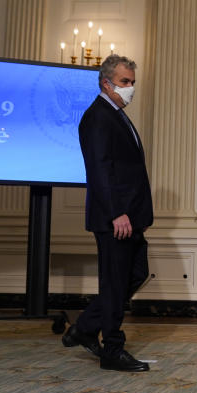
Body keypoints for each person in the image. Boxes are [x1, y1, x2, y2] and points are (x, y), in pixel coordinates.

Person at [62, 54, 153, 372]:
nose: (130, 89)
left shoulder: (116, 114)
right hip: (116, 218)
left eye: (132, 83)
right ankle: (112, 349)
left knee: (136, 274)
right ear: (106, 82)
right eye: (125, 82)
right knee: (115, 284)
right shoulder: (97, 116)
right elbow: (99, 170)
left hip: (131, 216)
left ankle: (85, 327)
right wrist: (117, 213)